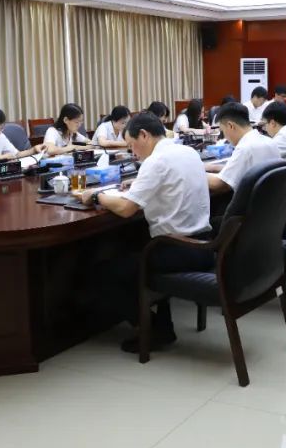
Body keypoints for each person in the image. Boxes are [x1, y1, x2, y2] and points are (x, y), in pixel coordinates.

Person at [73, 113, 212, 352]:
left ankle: (155, 329)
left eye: (131, 145)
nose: (132, 152)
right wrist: (138, 184)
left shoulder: (156, 161)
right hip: (203, 244)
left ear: (144, 135)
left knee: (103, 272)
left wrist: (95, 196)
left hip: (178, 250)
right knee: (130, 248)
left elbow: (126, 209)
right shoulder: (187, 151)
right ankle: (161, 322)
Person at [206, 102, 281, 194]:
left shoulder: (245, 147)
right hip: (270, 199)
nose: (225, 136)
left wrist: (194, 172)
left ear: (230, 126)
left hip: (251, 202)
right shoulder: (270, 142)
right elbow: (244, 169)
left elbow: (219, 184)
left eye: (223, 131)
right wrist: (214, 167)